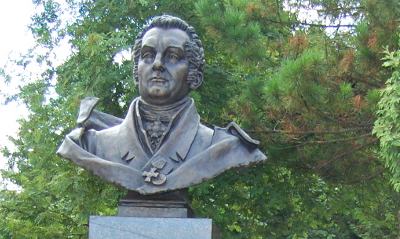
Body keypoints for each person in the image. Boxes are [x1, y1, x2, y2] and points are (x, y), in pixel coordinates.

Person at [57, 15, 266, 194]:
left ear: (195, 76)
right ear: (136, 73)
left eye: (173, 56)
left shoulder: (224, 147)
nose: (157, 64)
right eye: (147, 55)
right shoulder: (92, 144)